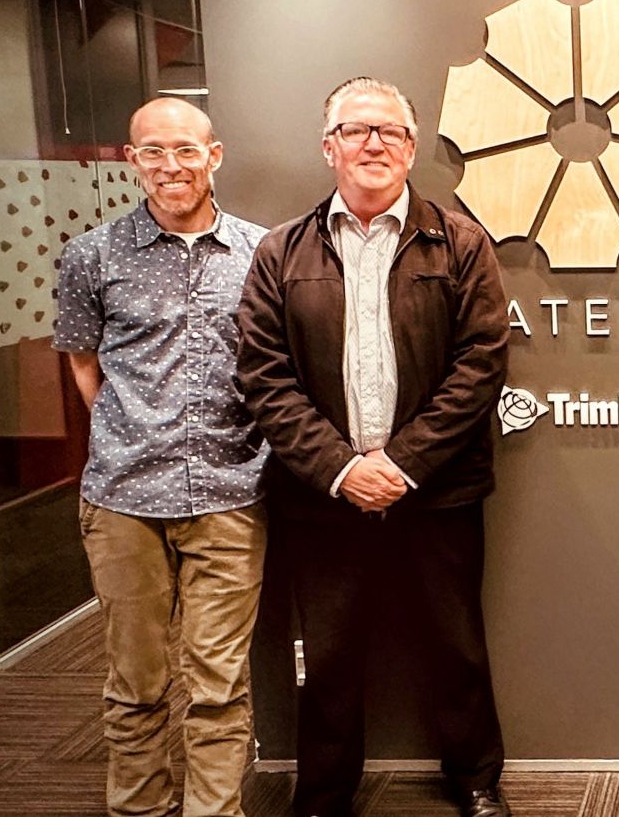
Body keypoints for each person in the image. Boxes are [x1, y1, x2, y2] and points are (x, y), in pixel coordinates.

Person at [236, 77, 511, 817]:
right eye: (355, 131)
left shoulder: (460, 243)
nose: (373, 144)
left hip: (439, 492)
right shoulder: (280, 251)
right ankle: (324, 793)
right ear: (329, 148)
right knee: (326, 659)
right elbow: (264, 376)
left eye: (389, 131)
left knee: (455, 647)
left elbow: (481, 363)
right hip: (321, 499)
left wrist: (402, 463)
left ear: (413, 148)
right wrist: (339, 469)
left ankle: (477, 781)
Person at [53, 97, 268, 816]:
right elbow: (85, 366)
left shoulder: (261, 253)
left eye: (184, 150)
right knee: (135, 683)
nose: (170, 166)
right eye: (153, 151)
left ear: (214, 155)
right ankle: (140, 810)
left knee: (219, 684)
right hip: (122, 500)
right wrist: (133, 432)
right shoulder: (92, 256)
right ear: (130, 158)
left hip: (231, 493)